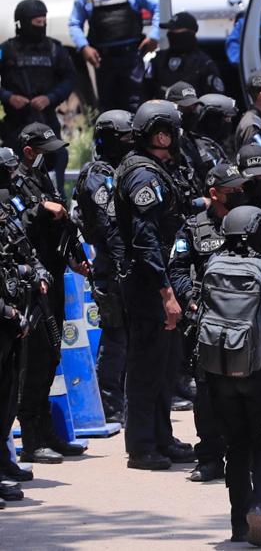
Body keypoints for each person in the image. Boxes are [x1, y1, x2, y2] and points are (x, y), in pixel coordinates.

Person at [201, 205, 261, 545]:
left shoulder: (212, 265)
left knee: (236, 445)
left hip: (219, 371)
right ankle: (259, 505)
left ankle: (238, 526)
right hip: (260, 372)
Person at [114, 100, 195, 470]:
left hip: (164, 277)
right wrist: (166, 293)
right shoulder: (142, 175)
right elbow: (145, 239)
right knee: (147, 366)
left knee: (165, 365)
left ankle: (162, 437)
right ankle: (142, 446)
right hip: (150, 284)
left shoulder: (159, 169)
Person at [11, 124, 89, 464]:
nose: (49, 156)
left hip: (53, 277)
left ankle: (47, 433)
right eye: (44, 150)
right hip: (31, 284)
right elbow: (16, 227)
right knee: (35, 360)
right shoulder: (12, 181)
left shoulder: (41, 178)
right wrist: (41, 209)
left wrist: (75, 256)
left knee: (51, 357)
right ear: (29, 150)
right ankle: (31, 438)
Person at [168, 162, 249, 483]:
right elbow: (176, 268)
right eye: (233, 191)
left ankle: (243, 455)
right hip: (207, 320)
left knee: (245, 390)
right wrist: (189, 296)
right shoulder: (191, 228)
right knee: (207, 392)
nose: (240, 195)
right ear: (214, 194)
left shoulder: (252, 221)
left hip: (245, 319)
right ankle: (210, 458)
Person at [72, 110, 132, 425]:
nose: (129, 143)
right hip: (112, 263)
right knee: (116, 335)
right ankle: (110, 403)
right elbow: (109, 225)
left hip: (127, 262)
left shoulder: (124, 170)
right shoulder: (98, 174)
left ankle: (123, 398)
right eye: (123, 138)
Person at [0, 146, 48, 488]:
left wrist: (37, 271)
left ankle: (3, 463)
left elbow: (22, 245)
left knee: (8, 395)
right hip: (5, 313)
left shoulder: (4, 206)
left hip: (17, 312)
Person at [0, 0, 77, 196]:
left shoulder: (54, 49)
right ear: (23, 23)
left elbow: (69, 78)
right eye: (36, 23)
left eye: (44, 22)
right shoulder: (6, 50)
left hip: (46, 121)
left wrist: (50, 98)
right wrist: (8, 97)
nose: (41, 26)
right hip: (16, 123)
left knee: (57, 158)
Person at [69, 0, 160, 112]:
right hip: (103, 60)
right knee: (108, 108)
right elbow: (74, 23)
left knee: (135, 105)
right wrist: (83, 47)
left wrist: (154, 36)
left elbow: (157, 7)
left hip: (131, 58)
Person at [144, 12, 225, 101]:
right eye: (170, 31)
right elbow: (144, 91)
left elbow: (216, 100)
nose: (170, 34)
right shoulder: (158, 59)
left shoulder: (204, 64)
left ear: (189, 33)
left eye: (175, 30)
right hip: (160, 112)